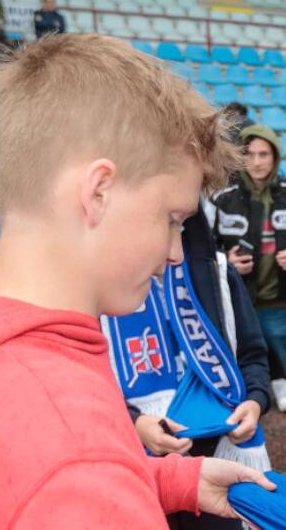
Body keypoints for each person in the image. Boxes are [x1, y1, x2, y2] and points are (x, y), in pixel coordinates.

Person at [0, 34, 276, 527]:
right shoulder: (76, 459)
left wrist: (164, 480)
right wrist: (106, 480)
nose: (176, 251)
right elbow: (72, 478)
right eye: (172, 219)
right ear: (98, 192)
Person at [108, 205, 272, 530]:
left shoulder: (216, 274)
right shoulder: (101, 288)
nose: (171, 249)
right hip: (140, 462)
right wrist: (135, 425)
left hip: (218, 452)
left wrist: (254, 402)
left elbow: (253, 355)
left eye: (179, 227)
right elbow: (84, 391)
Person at [212, 125, 286, 461]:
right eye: (249, 154)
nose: (257, 161)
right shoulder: (223, 197)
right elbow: (206, 249)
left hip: (283, 306)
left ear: (275, 157)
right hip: (237, 305)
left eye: (264, 154)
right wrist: (226, 260)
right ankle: (230, 442)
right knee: (231, 376)